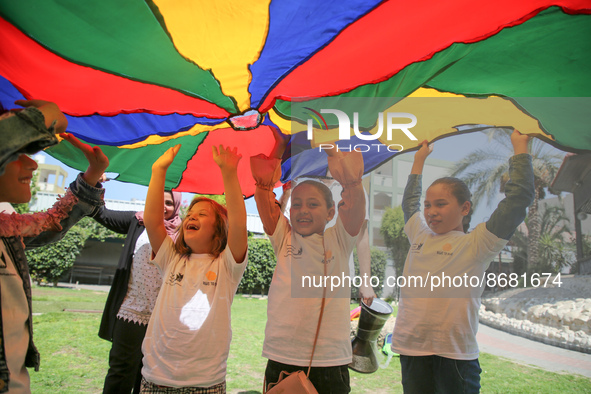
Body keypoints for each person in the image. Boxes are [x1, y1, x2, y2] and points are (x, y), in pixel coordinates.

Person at [391, 130, 535, 393]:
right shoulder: (419, 235)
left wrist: (520, 148)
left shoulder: (478, 244)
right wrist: (419, 159)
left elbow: (518, 200)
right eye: (428, 205)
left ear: (465, 208)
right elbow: (409, 203)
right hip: (412, 350)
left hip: (455, 358)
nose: (431, 212)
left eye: (441, 204)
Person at [0, 100, 109, 393]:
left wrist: (93, 174)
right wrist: (45, 115)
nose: (33, 163)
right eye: (17, 153)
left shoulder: (5, 231)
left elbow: (51, 222)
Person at [251, 130, 366, 394]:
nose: (303, 210)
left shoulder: (340, 238)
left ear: (330, 212)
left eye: (312, 204)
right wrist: (280, 147)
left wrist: (332, 150)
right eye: (297, 204)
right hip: (281, 356)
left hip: (329, 361)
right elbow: (263, 193)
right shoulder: (284, 237)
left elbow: (355, 195)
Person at [140, 144, 248, 393]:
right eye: (190, 213)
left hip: (204, 382)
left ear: (219, 229)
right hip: (156, 377)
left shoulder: (227, 266)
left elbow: (239, 223)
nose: (191, 217)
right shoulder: (171, 258)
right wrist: (159, 171)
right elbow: (152, 221)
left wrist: (229, 172)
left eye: (202, 214)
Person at [94, 183, 182, 394]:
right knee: (121, 371)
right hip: (131, 312)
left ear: (177, 205)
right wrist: (95, 183)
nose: (162, 207)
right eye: (158, 201)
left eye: (168, 203)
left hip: (163, 320)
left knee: (149, 377)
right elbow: (101, 214)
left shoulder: (184, 233)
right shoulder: (138, 220)